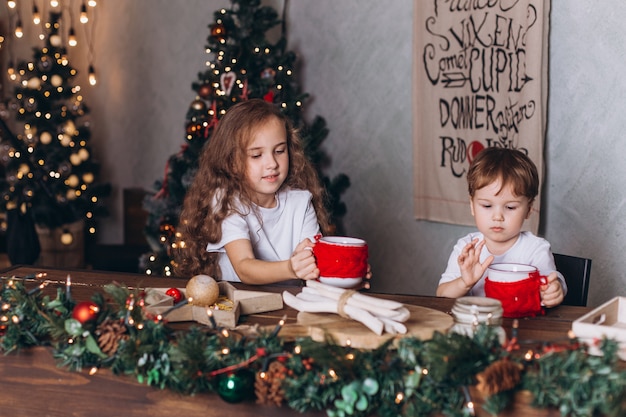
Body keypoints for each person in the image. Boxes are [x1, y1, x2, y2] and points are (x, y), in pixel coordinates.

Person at [174, 99, 332, 285]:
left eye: (279, 151)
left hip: (288, 308)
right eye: (257, 155)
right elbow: (244, 267)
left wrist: (349, 276)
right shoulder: (226, 202)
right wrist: (290, 268)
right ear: (232, 162)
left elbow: (316, 265)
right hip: (241, 305)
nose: (272, 163)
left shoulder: (301, 202)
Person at [437, 147, 566, 308]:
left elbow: (550, 281)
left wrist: (554, 289)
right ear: (472, 206)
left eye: (510, 207)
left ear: (528, 209)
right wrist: (465, 282)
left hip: (521, 328)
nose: (497, 217)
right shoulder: (467, 248)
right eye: (486, 205)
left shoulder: (535, 249)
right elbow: (442, 295)